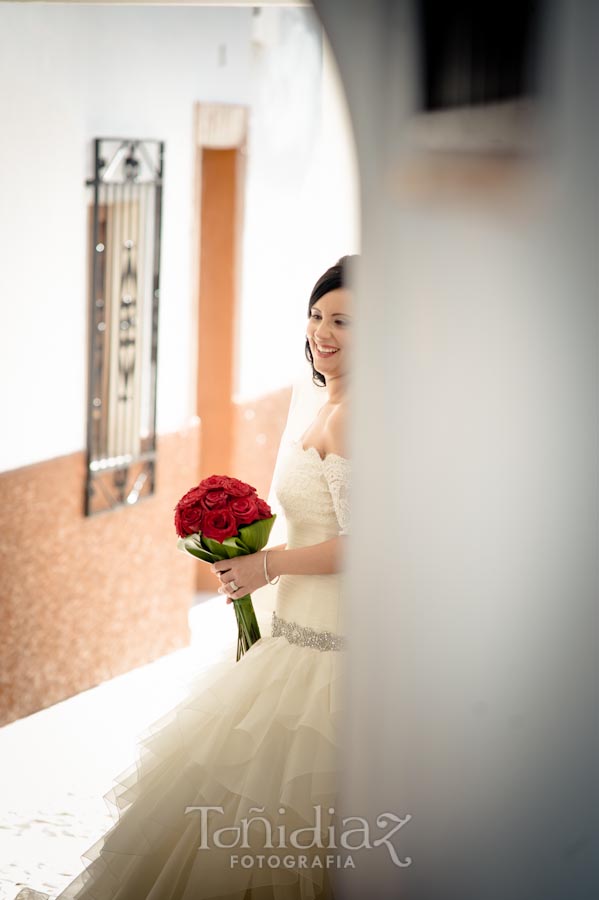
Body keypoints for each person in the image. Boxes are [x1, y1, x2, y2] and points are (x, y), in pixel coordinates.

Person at [16, 255, 356, 900]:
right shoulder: (323, 399)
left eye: (344, 320)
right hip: (293, 627)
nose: (323, 331)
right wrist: (251, 553)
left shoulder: (354, 414)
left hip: (333, 654)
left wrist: (266, 563)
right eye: (316, 315)